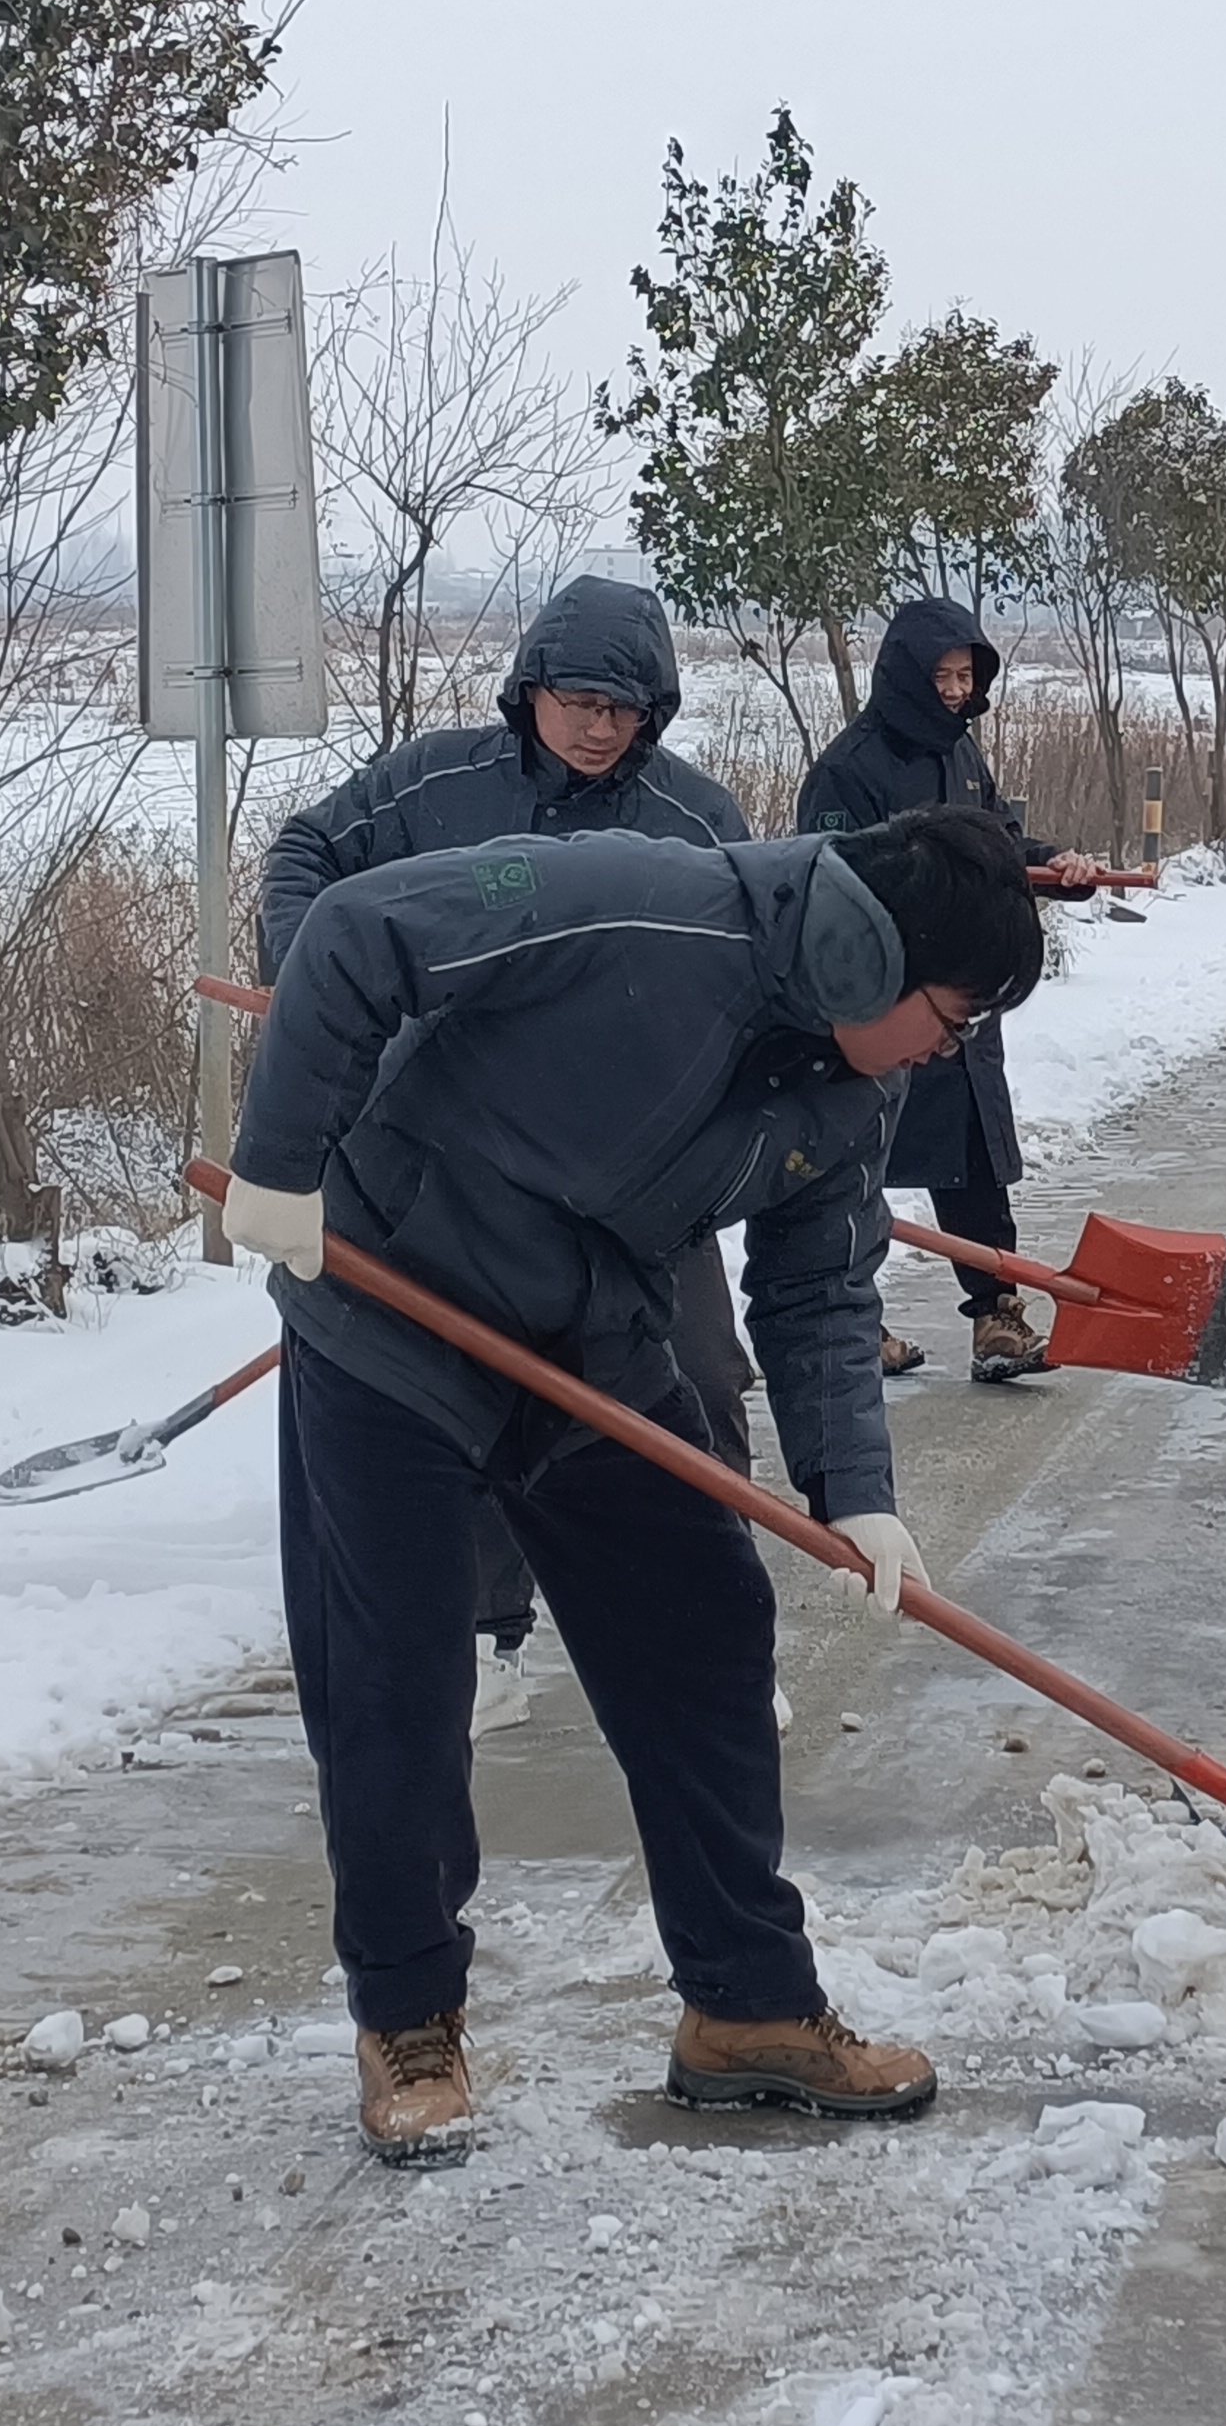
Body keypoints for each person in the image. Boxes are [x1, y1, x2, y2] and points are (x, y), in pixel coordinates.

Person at [217, 801, 1047, 2160]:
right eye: (950, 1020)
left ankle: (746, 2004)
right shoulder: (636, 904)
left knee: (703, 1628)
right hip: (390, 1316)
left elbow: (819, 1289)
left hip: (589, 1340)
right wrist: (280, 1162)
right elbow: (358, 931)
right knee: (397, 1680)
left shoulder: (859, 1088)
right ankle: (409, 2022)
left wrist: (856, 1487)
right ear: (868, 957)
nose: (946, 1051)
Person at [260, 577, 759, 1729]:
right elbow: (308, 856)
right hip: (452, 1174)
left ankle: (711, 1635)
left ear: (655, 713)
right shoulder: (435, 785)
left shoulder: (694, 825)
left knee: (698, 1379)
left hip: (638, 1178)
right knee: (463, 1385)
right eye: (577, 701)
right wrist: (309, 989)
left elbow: (750, 975)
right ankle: (488, 1636)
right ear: (529, 689)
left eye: (623, 709)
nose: (598, 728)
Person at [795, 600, 1056, 1385]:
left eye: (965, 675)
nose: (954, 690)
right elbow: (832, 881)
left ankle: (996, 1313)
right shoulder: (848, 770)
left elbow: (999, 841)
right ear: (905, 674)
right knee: (857, 1162)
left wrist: (1055, 867)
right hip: (886, 1000)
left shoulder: (962, 753)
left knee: (972, 1159)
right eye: (941, 675)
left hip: (963, 992)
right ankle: (853, 1322)